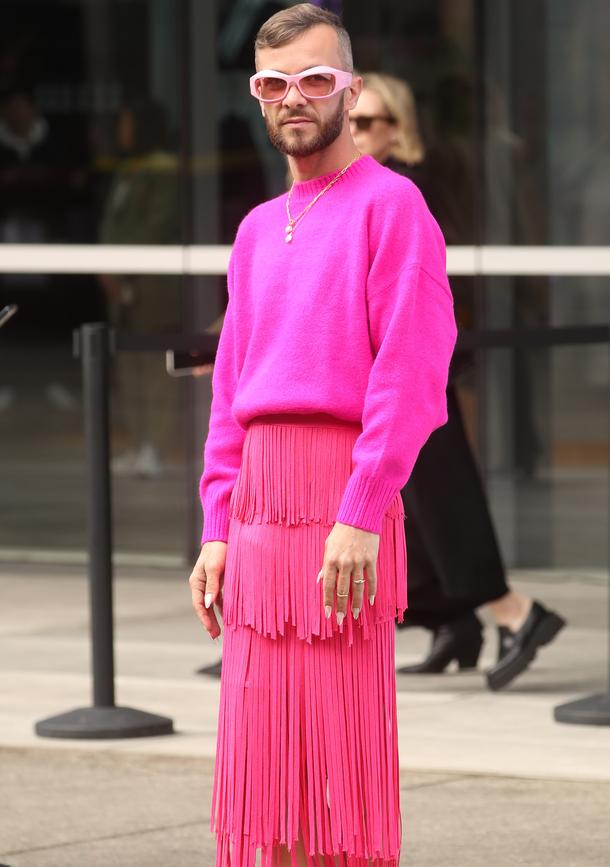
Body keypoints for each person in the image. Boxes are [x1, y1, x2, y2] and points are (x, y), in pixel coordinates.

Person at [187, 6, 456, 867]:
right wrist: (216, 526)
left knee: (338, 764)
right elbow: (231, 390)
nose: (292, 98)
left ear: (351, 89)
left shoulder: (393, 205)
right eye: (274, 83)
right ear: (257, 96)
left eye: (313, 79)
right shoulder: (258, 228)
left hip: (341, 499)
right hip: (259, 510)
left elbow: (410, 375)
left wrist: (363, 509)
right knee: (266, 764)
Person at [350, 72, 566, 691]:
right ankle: (455, 621)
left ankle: (513, 612)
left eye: (369, 122)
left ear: (400, 128)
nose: (357, 133)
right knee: (410, 508)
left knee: (441, 500)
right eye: (353, 120)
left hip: (411, 366)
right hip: (378, 369)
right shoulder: (370, 188)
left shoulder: (408, 189)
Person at [98, 98, 182, 478]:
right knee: (127, 369)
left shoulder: (165, 170)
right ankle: (137, 442)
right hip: (122, 285)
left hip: (152, 285)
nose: (122, 131)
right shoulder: (127, 169)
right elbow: (111, 222)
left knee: (154, 371)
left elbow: (156, 226)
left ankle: (156, 446)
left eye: (128, 123)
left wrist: (122, 266)